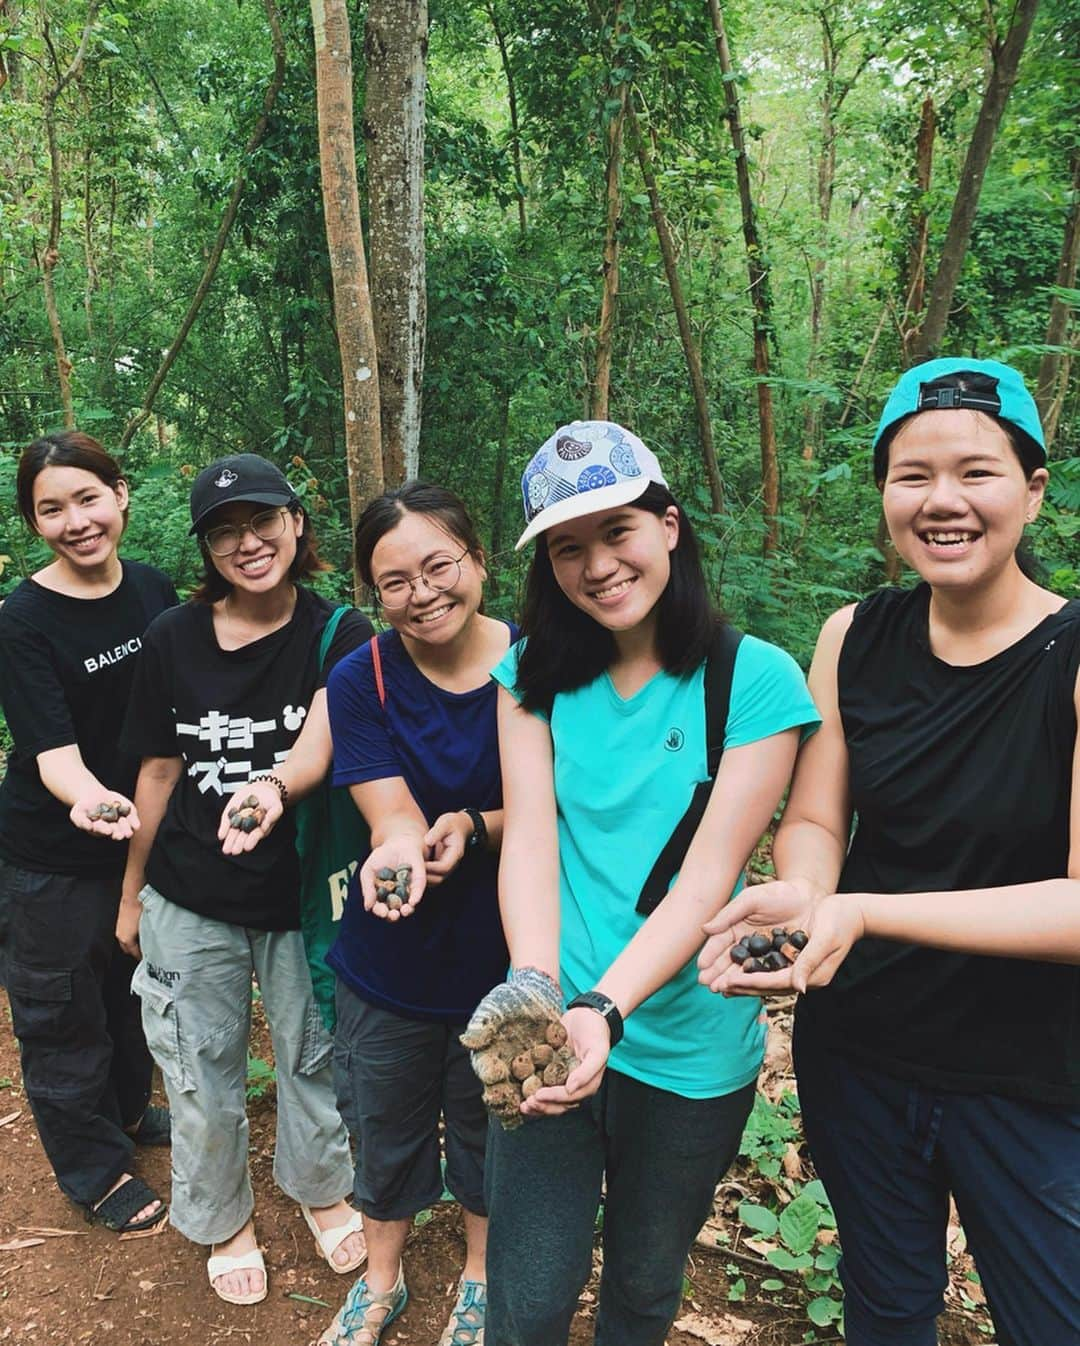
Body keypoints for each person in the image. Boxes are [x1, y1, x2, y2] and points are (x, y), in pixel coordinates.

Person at [698, 358, 1080, 1346]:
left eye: (977, 472)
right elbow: (819, 818)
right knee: (888, 1301)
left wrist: (864, 912)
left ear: (1033, 490)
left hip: (1032, 1074)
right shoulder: (854, 635)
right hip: (862, 1051)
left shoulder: (1070, 657)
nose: (943, 500)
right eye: (913, 474)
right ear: (884, 493)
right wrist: (807, 891)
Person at [479, 421, 820, 1346]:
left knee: (641, 1282)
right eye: (567, 548)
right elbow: (533, 845)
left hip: (686, 1048)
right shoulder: (529, 676)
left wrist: (603, 1009)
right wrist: (539, 992)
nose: (597, 566)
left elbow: (707, 879)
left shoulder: (751, 681)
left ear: (669, 525)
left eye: (618, 530)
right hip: (555, 1025)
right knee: (530, 1289)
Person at [115, 454, 372, 1306]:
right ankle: (224, 1217)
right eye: (225, 531)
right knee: (198, 1066)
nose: (247, 542)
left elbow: (349, 751)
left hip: (304, 896)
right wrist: (131, 894)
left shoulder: (342, 636)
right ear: (207, 549)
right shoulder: (171, 639)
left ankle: (322, 1190)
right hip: (191, 893)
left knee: (314, 1056)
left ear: (297, 524)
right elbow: (157, 770)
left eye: (263, 521)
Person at [313, 482, 514, 1346]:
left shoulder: (540, 665)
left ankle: (477, 1280)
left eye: (439, 565)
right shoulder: (362, 676)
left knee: (491, 1127)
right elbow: (388, 811)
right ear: (372, 591)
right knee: (385, 1123)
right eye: (394, 581)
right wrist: (400, 846)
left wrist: (474, 827)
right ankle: (380, 1281)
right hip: (389, 953)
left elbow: (567, 801)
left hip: (510, 951)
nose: (422, 593)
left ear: (478, 559)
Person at [0, 431, 176, 1234]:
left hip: (145, 839)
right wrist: (90, 799)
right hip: (56, 855)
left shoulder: (152, 588)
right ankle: (93, 1167)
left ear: (120, 494)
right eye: (50, 509)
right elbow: (51, 751)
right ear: (34, 523)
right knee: (63, 1010)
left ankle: (129, 1111)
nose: (74, 521)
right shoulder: (23, 619)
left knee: (130, 990)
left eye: (86, 498)